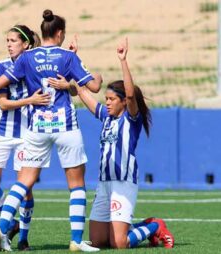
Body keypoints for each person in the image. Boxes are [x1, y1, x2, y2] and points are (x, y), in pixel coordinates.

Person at [0, 9, 102, 252]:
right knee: (76, 184)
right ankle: (76, 241)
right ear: (60, 33)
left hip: (37, 126)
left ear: (43, 32)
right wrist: (81, 72)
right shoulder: (67, 56)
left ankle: (2, 226)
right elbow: (95, 85)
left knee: (23, 181)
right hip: (65, 125)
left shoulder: (27, 57)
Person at [67, 38, 174, 249]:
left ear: (123, 102)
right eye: (105, 99)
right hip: (104, 183)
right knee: (98, 241)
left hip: (123, 183)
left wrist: (123, 60)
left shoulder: (130, 119)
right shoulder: (106, 117)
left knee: (119, 243)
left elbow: (131, 93)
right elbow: (82, 91)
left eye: (111, 99)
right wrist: (74, 58)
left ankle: (154, 225)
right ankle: (132, 228)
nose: (106, 102)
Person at [0, 24, 50, 251]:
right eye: (7, 41)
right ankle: (11, 223)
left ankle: (23, 239)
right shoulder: (1, 65)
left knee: (26, 188)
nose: (9, 45)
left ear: (26, 44)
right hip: (1, 131)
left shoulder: (35, 65)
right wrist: (30, 100)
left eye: (13, 41)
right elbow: (3, 103)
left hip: (26, 134)